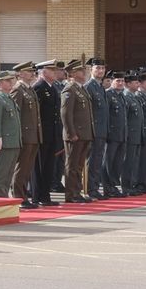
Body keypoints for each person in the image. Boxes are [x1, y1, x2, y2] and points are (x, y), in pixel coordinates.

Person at [60, 61, 93, 203]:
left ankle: (77, 192)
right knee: (72, 165)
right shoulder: (70, 89)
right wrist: (71, 133)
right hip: (75, 135)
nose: (83, 73)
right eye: (80, 71)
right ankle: (71, 194)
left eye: (83, 70)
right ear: (72, 74)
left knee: (79, 165)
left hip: (84, 134)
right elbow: (66, 114)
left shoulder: (82, 89)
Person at [0, 71, 21, 199]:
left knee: (7, 176)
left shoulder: (8, 98)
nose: (11, 82)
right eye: (7, 80)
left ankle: (4, 201)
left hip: (12, 143)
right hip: (3, 143)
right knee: (0, 176)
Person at [11, 62, 41, 207]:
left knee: (27, 168)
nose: (32, 73)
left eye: (32, 71)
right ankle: (19, 197)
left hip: (33, 135)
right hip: (24, 135)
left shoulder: (29, 89)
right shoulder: (18, 90)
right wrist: (18, 135)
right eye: (28, 71)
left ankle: (24, 196)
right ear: (20, 74)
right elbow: (15, 116)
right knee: (21, 168)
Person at [31, 61, 62, 206]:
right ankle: (37, 195)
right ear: (43, 72)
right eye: (52, 70)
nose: (56, 73)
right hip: (42, 134)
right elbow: (36, 114)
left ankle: (45, 196)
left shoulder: (53, 88)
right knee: (39, 165)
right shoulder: (39, 87)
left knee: (49, 165)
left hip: (51, 134)